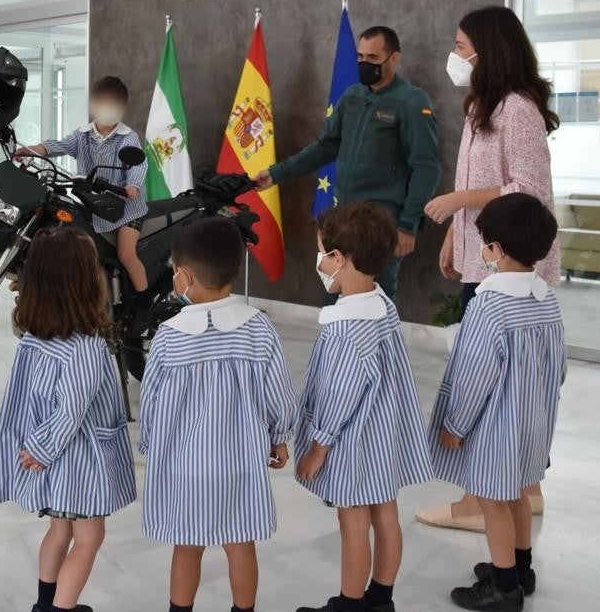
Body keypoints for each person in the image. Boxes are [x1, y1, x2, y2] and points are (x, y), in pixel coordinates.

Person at [417, 5, 561, 534]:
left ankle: (479, 501)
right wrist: (458, 232)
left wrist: (458, 202)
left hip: (512, 265)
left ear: (487, 49)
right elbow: (475, 175)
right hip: (486, 256)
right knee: (509, 387)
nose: (454, 56)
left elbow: (529, 192)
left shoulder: (517, 109)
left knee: (496, 387)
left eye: (460, 46)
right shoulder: (484, 104)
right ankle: (526, 489)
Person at [139, 217, 296, 612]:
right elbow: (278, 393)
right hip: (241, 463)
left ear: (184, 276)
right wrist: (279, 436)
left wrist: (150, 445)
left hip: (185, 468)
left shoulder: (169, 336)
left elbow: (153, 404)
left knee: (187, 548)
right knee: (241, 545)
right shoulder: (259, 328)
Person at [427, 193, 564, 612]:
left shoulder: (490, 303)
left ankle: (504, 586)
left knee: (492, 500)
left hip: (494, 429)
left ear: (496, 250)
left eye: (485, 243)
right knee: (518, 494)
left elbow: (474, 373)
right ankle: (521, 568)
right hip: (533, 424)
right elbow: (559, 368)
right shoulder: (546, 299)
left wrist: (456, 424)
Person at [293, 202, 433, 612]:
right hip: (384, 435)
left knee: (352, 521)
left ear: (339, 259)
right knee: (386, 516)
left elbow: (341, 394)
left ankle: (350, 603)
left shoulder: (347, 327)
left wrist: (319, 446)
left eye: (322, 253)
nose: (319, 261)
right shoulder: (382, 304)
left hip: (354, 443)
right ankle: (380, 598)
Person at [0, 228, 135, 612]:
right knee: (88, 537)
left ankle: (45, 604)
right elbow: (71, 410)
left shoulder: (33, 339)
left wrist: (36, 447)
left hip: (51, 461)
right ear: (84, 283)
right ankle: (62, 607)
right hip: (77, 461)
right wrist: (42, 448)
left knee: (59, 530)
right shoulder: (87, 348)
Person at [252, 26, 441, 299]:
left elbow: (426, 167)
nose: (365, 64)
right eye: (360, 57)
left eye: (373, 59)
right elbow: (325, 147)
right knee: (335, 293)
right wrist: (275, 174)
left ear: (395, 59)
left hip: (381, 220)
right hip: (343, 216)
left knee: (375, 297)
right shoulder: (353, 96)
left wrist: (407, 225)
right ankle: (337, 341)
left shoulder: (412, 101)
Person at [15, 76, 151, 326]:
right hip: (92, 205)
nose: (108, 109)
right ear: (93, 105)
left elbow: (138, 165)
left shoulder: (127, 137)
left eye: (114, 104)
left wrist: (132, 186)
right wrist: (32, 149)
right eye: (103, 103)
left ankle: (143, 302)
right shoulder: (83, 135)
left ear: (123, 108)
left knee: (126, 253)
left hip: (126, 208)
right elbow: (58, 146)